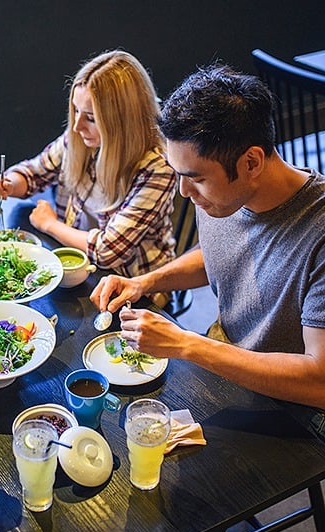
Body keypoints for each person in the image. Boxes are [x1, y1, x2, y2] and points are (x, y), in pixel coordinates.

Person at [90, 64, 325, 436]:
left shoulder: (318, 232)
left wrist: (187, 343)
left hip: (294, 411)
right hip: (225, 356)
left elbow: (319, 383)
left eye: (196, 178)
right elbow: (224, 252)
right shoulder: (226, 198)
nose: (185, 193)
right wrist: (146, 282)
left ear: (251, 163)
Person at [0, 50, 177, 278]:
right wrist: (9, 183)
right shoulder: (81, 139)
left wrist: (49, 224)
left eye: (91, 118)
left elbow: (108, 251)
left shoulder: (158, 168)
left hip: (135, 283)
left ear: (124, 121)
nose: (77, 126)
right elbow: (35, 173)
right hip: (78, 262)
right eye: (76, 110)